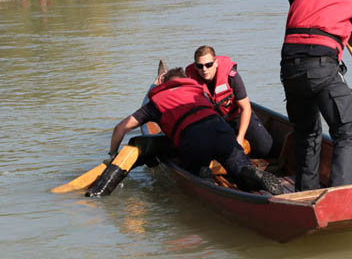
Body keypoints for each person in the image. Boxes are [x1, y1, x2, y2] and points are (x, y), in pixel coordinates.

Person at [252, 0, 352, 191]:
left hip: (290, 68)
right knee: (347, 131)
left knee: (307, 132)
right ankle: (342, 194)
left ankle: (307, 191)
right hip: (323, 68)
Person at [104, 67, 284, 195]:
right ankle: (251, 173)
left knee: (194, 166)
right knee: (238, 167)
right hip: (221, 129)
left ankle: (202, 173)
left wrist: (113, 154)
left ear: (163, 85)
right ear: (185, 80)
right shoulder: (199, 92)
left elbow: (121, 128)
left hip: (193, 137)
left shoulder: (156, 102)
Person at [185, 45, 273, 158]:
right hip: (212, 123)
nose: (204, 69)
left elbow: (246, 108)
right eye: (200, 66)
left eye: (208, 65)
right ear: (195, 66)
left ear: (216, 63)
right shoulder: (190, 81)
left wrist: (240, 138)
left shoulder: (231, 77)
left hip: (236, 116)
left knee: (265, 148)